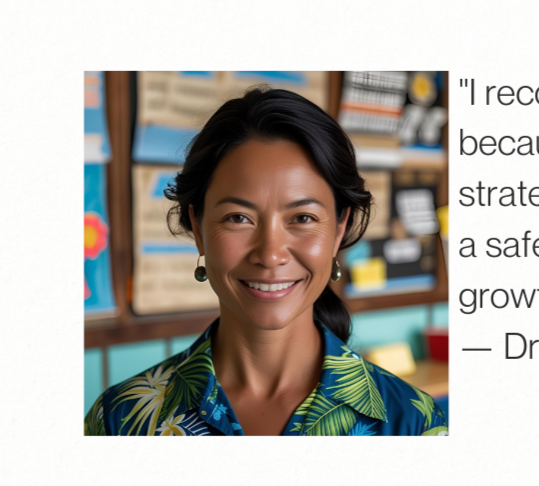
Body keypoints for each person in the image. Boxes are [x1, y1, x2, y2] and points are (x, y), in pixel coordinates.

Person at [84, 88, 447, 436]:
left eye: (302, 218)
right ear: (198, 228)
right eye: (238, 218)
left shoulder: (413, 423)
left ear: (339, 229)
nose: (271, 254)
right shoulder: (120, 419)